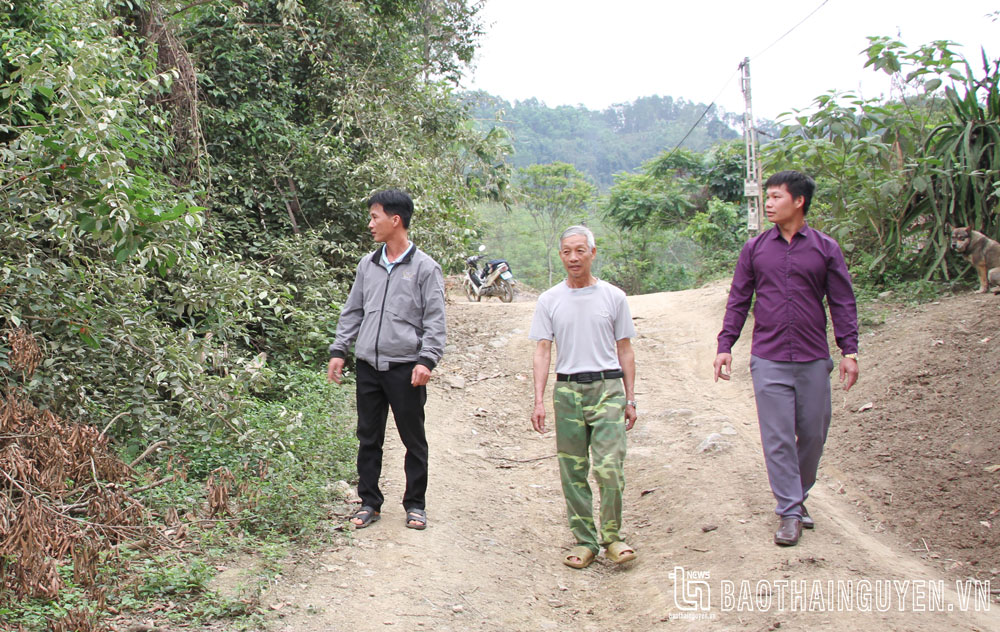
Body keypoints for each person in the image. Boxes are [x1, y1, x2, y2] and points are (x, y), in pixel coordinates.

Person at [713, 170, 859, 547]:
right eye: (768, 197)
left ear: (799, 201)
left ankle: (798, 495)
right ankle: (789, 512)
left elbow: (842, 301)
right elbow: (739, 300)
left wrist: (849, 350)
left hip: (813, 357)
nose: (769, 203)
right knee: (777, 436)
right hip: (769, 357)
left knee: (812, 433)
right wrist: (725, 345)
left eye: (777, 196)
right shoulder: (755, 249)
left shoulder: (825, 248)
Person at [327, 189, 446, 531]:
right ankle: (369, 502)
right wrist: (340, 350)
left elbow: (435, 321)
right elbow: (353, 310)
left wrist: (427, 360)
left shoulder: (425, 268)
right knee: (368, 436)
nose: (370, 224)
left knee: (413, 438)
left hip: (406, 367)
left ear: (396, 220)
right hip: (368, 366)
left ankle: (415, 504)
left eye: (375, 217)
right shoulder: (369, 264)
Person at [529, 225, 638, 569]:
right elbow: (543, 351)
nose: (573, 258)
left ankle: (613, 537)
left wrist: (630, 398)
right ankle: (585, 540)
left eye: (580, 250)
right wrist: (538, 400)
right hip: (568, 391)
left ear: (593, 252)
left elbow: (625, 349)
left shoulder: (613, 297)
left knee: (609, 468)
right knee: (572, 469)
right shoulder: (549, 300)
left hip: (608, 388)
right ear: (560, 255)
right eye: (566, 252)